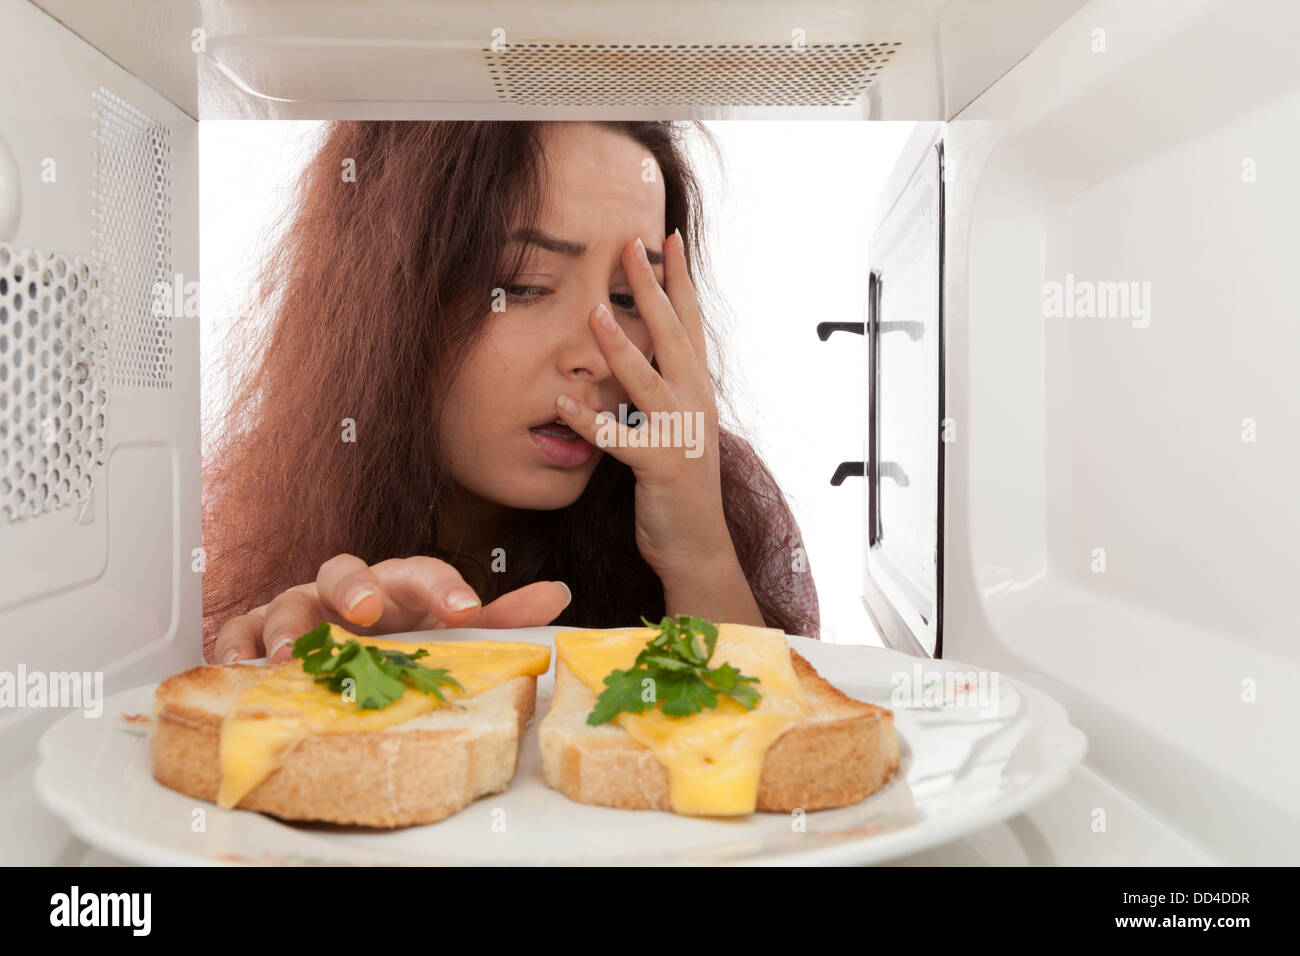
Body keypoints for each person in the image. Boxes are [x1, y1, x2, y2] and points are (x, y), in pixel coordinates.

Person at [203, 121, 819, 665]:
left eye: (631, 298)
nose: (595, 359)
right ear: (390, 298)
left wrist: (699, 553)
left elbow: (776, 760)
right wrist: (323, 676)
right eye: (524, 286)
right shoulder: (223, 513)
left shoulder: (714, 482)